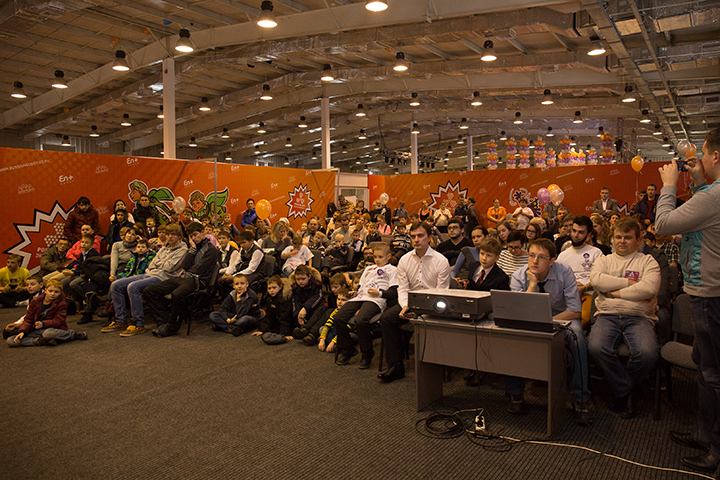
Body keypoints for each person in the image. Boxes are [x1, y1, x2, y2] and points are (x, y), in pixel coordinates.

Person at [655, 128, 720, 475]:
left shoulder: (715, 196)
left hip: (711, 296)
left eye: (705, 154)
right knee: (705, 368)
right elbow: (702, 206)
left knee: (714, 373)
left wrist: (668, 184)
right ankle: (704, 433)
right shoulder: (712, 193)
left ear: (716, 156)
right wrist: (696, 180)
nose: (701, 160)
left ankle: (716, 450)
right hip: (705, 292)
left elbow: (663, 222)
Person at [509, 238, 591, 424]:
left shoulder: (565, 272)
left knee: (577, 337)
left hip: (562, 317)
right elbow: (519, 313)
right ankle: (515, 392)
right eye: (531, 255)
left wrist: (548, 321)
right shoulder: (518, 276)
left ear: (552, 260)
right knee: (512, 335)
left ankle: (581, 400)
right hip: (530, 319)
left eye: (541, 257)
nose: (534, 261)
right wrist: (532, 285)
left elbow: (575, 311)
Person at [588, 218, 660, 419]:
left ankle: (619, 388)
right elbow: (597, 281)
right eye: (618, 237)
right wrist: (629, 282)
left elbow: (649, 288)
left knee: (648, 353)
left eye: (628, 237)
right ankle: (627, 390)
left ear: (638, 240)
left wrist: (615, 292)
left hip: (639, 317)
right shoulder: (604, 260)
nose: (622, 241)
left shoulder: (647, 261)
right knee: (595, 347)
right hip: (607, 315)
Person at [379, 222, 450, 383]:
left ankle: (433, 367)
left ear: (429, 238)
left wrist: (423, 311)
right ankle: (396, 365)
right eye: (413, 236)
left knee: (430, 321)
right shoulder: (404, 260)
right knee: (387, 319)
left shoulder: (441, 261)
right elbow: (402, 288)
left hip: (434, 304)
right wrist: (405, 306)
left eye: (420, 236)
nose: (416, 240)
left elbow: (442, 292)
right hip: (410, 302)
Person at [102, 224, 187, 337]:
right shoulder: (164, 248)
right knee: (115, 285)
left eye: (173, 234)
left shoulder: (183, 250)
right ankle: (121, 320)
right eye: (167, 234)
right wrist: (161, 263)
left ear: (180, 237)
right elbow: (152, 264)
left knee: (133, 287)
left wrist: (159, 263)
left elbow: (170, 268)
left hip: (163, 278)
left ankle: (138, 323)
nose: (169, 237)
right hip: (149, 273)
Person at [144, 222, 218, 337]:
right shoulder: (193, 247)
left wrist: (187, 270)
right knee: (149, 290)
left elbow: (199, 269)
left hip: (199, 281)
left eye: (195, 235)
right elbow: (185, 265)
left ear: (202, 232)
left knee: (177, 294)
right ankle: (164, 322)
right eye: (191, 236)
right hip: (185, 278)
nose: (193, 238)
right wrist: (192, 249)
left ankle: (172, 327)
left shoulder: (211, 250)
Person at [334, 243, 398, 369]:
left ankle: (367, 353)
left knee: (361, 320)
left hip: (376, 299)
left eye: (380, 257)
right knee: (338, 317)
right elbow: (360, 286)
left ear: (388, 256)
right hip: (361, 297)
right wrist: (355, 292)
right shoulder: (369, 269)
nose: (377, 260)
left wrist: (379, 293)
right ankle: (348, 349)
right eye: (375, 257)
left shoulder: (393, 270)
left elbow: (393, 292)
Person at [6, 279, 87, 347]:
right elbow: (28, 319)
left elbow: (59, 321)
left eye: (56, 292)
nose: (52, 294)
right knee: (11, 340)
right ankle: (39, 341)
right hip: (36, 330)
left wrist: (43, 324)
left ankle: (72, 334)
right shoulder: (35, 302)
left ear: (60, 293)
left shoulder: (62, 304)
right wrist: (22, 332)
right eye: (50, 291)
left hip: (53, 329)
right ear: (45, 290)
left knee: (48, 334)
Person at [557, 215, 603, 329]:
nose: (576, 235)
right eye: (574, 231)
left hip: (588, 293)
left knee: (583, 320)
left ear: (588, 235)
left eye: (581, 232)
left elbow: (601, 279)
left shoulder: (596, 253)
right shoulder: (563, 255)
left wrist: (585, 287)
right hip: (567, 295)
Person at [220, 231, 266, 297]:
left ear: (251, 241)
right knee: (221, 280)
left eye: (244, 243)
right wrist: (227, 273)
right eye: (240, 243)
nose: (242, 245)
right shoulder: (242, 249)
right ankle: (230, 301)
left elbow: (251, 269)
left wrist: (233, 276)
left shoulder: (257, 251)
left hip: (256, 273)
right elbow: (235, 264)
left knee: (241, 281)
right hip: (243, 270)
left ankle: (244, 302)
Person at [251, 276, 294, 343]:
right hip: (277, 322)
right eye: (269, 288)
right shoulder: (269, 298)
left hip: (288, 324)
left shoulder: (285, 298)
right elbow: (268, 315)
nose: (271, 290)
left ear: (280, 287)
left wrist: (285, 333)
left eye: (274, 288)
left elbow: (285, 316)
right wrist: (262, 330)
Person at [3, 275, 44, 339]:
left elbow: (38, 316)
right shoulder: (31, 298)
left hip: (39, 322)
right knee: (6, 332)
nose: (29, 287)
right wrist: (15, 323)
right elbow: (28, 314)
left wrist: (20, 324)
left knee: (11, 334)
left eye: (32, 284)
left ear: (41, 285)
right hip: (30, 321)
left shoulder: (43, 298)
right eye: (27, 285)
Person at [317, 289, 352, 353]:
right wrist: (322, 339)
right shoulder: (335, 311)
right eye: (338, 299)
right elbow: (327, 325)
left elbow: (346, 330)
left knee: (350, 336)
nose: (340, 302)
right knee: (322, 329)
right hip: (336, 332)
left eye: (343, 300)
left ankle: (335, 345)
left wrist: (333, 342)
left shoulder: (350, 313)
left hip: (347, 333)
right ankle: (336, 345)